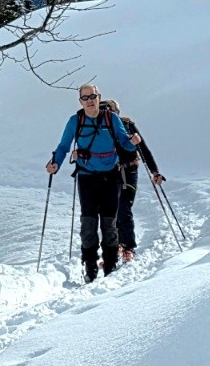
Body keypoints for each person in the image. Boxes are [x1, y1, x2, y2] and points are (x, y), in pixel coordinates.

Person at [46, 83, 140, 281]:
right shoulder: (75, 121)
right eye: (85, 98)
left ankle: (110, 264)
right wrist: (55, 163)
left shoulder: (111, 118)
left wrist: (132, 143)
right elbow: (63, 146)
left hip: (110, 177)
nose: (89, 101)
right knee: (88, 224)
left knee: (109, 223)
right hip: (87, 176)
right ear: (80, 101)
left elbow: (123, 143)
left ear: (99, 97)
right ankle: (90, 267)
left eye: (92, 96)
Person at [103, 98, 163, 262]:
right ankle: (117, 246)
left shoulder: (127, 125)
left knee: (123, 207)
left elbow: (143, 150)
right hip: (109, 172)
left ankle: (128, 246)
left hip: (129, 170)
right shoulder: (100, 129)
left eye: (110, 110)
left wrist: (154, 171)